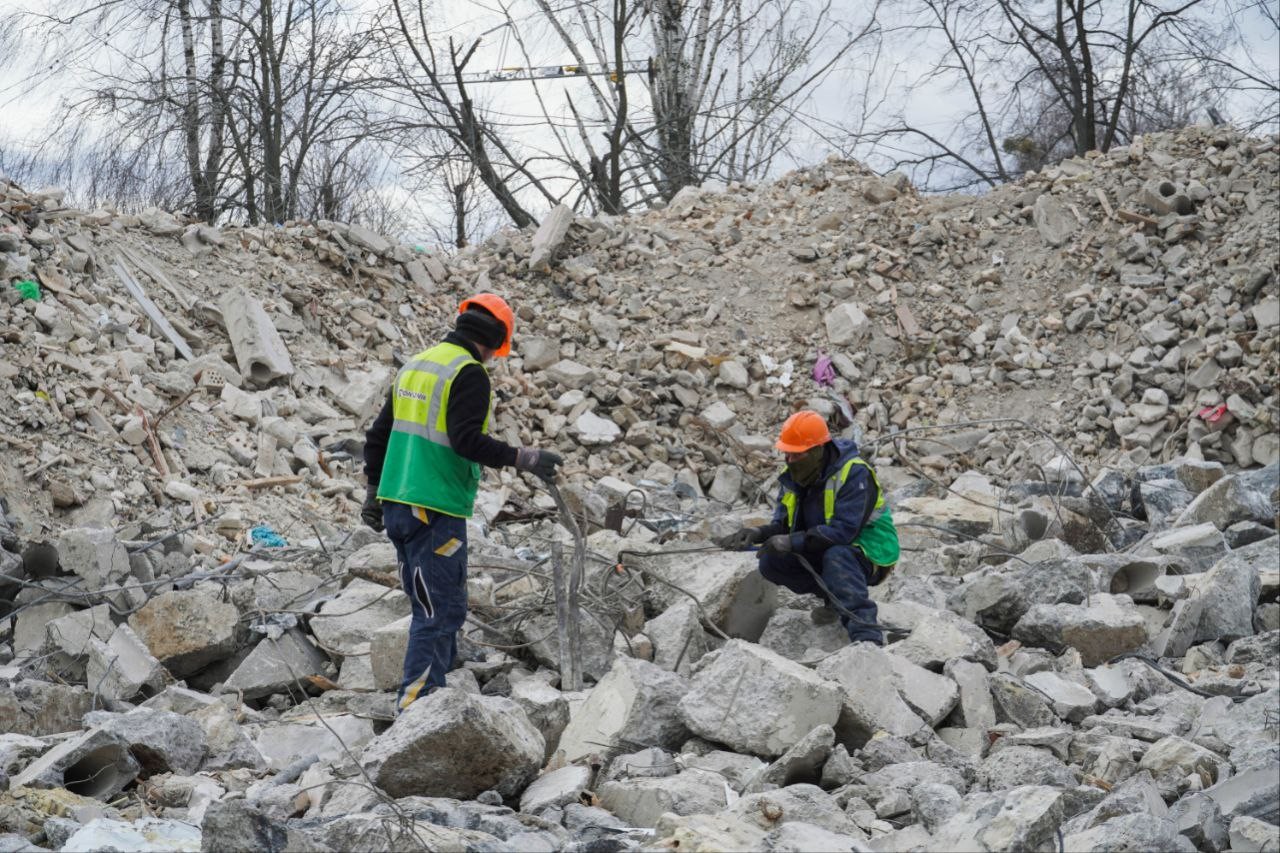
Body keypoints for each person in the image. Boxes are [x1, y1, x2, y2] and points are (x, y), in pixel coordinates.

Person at [362, 293, 563, 711]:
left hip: (400, 502)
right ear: (495, 341)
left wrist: (373, 492)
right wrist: (524, 458)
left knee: (447, 602)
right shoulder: (468, 373)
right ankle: (417, 706)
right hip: (433, 506)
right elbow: (466, 440)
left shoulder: (416, 365)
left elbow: (377, 436)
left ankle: (445, 686)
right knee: (434, 610)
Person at [718, 410, 899, 645]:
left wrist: (791, 542)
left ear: (818, 450)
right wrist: (758, 533)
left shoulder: (854, 473)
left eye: (797, 455)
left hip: (870, 552)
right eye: (787, 455)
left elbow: (844, 532)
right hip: (822, 544)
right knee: (771, 563)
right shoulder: (794, 478)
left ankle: (867, 637)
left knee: (837, 556)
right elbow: (784, 526)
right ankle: (834, 599)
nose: (790, 461)